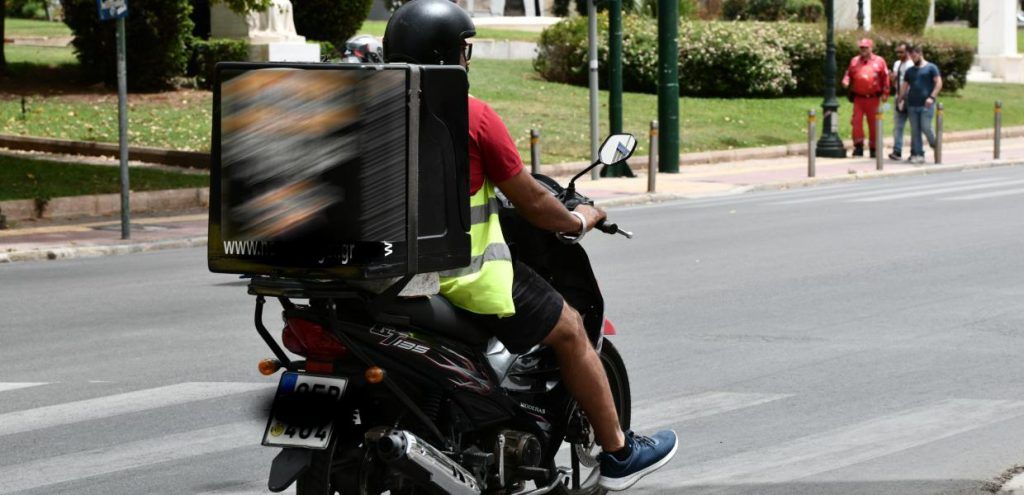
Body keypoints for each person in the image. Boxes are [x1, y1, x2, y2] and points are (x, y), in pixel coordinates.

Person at [382, 0, 678, 491]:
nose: (466, 59)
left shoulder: (364, 109)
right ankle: (620, 453)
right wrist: (579, 219)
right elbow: (534, 204)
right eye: (463, 50)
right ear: (448, 55)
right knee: (568, 329)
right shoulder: (470, 116)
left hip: (368, 272)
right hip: (457, 274)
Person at [841, 38, 890, 158]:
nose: (863, 50)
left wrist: (885, 93)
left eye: (865, 48)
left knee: (873, 124)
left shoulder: (879, 61)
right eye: (861, 48)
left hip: (873, 98)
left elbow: (885, 78)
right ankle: (858, 147)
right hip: (858, 98)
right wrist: (845, 81)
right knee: (856, 123)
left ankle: (874, 148)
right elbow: (849, 73)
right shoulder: (854, 61)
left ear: (871, 48)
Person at [900, 45, 943, 165]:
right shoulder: (910, 71)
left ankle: (934, 143)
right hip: (912, 104)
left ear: (920, 53)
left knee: (926, 127)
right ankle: (919, 154)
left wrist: (932, 97)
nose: (913, 58)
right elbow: (904, 86)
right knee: (915, 131)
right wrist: (900, 98)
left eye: (914, 55)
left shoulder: (931, 67)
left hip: (926, 105)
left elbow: (938, 83)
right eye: (911, 56)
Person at [888, 42, 911, 161]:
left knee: (915, 126)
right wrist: (892, 78)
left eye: (901, 52)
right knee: (898, 126)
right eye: (897, 52)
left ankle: (915, 151)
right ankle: (897, 151)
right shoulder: (897, 64)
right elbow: (894, 82)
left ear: (908, 52)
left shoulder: (911, 64)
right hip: (898, 97)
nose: (899, 54)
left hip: (910, 98)